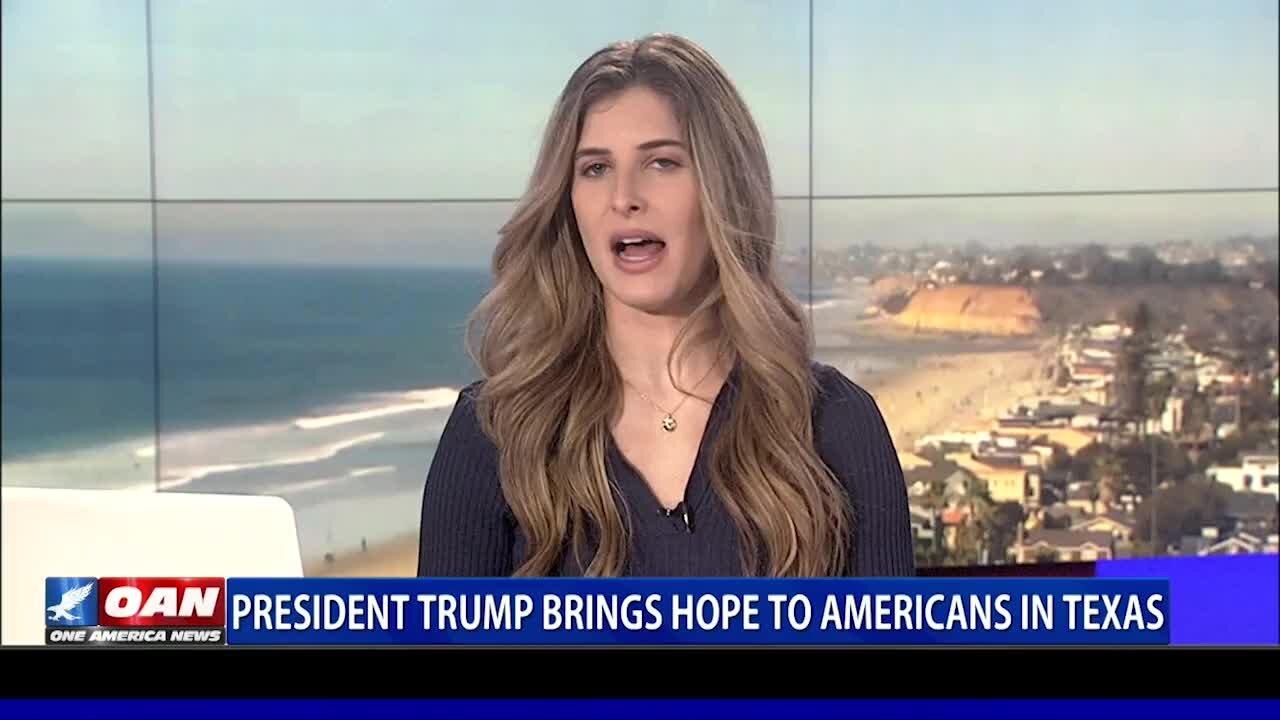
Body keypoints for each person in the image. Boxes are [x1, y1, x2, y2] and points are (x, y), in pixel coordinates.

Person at [417, 33, 913, 578]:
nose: (624, 196)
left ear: (723, 190)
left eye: (662, 163)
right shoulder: (494, 435)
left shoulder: (835, 424)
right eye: (595, 168)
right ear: (568, 202)